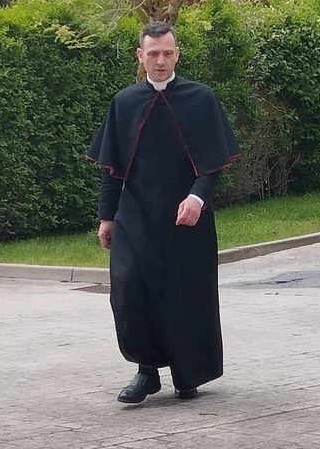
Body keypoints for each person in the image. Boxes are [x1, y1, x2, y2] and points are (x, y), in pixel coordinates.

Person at [87, 21, 239, 404]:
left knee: (183, 295)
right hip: (136, 216)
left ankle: (187, 374)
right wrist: (107, 217)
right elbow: (112, 169)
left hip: (186, 216)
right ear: (140, 56)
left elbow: (213, 164)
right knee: (130, 291)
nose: (160, 60)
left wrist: (197, 198)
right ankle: (147, 372)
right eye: (152, 53)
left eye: (167, 52)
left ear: (177, 53)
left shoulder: (200, 98)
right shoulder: (124, 102)